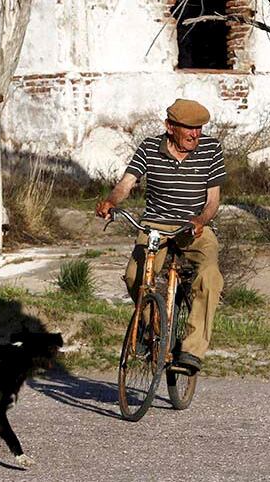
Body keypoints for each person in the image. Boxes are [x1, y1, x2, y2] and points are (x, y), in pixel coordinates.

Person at [95, 98, 226, 374]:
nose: (195, 135)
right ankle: (150, 326)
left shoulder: (211, 150)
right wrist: (111, 202)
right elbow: (126, 184)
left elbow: (213, 200)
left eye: (199, 128)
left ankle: (191, 350)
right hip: (155, 226)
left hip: (194, 227)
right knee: (135, 275)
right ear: (169, 127)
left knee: (210, 277)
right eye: (188, 128)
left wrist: (201, 220)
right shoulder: (148, 148)